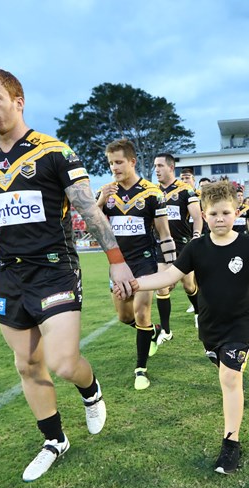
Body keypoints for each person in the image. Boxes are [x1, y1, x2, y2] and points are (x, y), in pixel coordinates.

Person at [0, 67, 134, 482]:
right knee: (28, 365)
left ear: (18, 101)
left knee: (64, 363)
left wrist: (117, 260)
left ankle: (91, 391)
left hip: (56, 272)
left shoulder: (55, 152)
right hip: (10, 278)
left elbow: (89, 209)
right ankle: (54, 440)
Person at [114, 181, 249, 474]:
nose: (220, 219)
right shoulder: (196, 248)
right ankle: (228, 378)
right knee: (227, 374)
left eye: (226, 213)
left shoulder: (248, 244)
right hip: (209, 329)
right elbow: (168, 278)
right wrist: (135, 283)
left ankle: (231, 444)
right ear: (204, 215)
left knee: (230, 379)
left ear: (236, 212)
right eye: (214, 213)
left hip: (240, 326)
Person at [97, 139, 174, 390]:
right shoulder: (107, 193)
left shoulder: (152, 193)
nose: (114, 168)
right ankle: (153, 331)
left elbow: (164, 234)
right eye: (110, 163)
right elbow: (94, 226)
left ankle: (140, 369)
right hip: (118, 263)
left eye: (118, 162)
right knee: (124, 316)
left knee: (142, 312)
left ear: (132, 161)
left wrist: (170, 268)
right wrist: (99, 202)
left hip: (145, 262)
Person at [152, 152, 203, 338]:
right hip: (160, 245)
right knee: (162, 287)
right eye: (155, 166)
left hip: (182, 244)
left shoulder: (185, 190)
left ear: (171, 167)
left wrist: (196, 236)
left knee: (189, 285)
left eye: (160, 166)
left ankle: (198, 312)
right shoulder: (152, 191)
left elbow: (197, 217)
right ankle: (166, 330)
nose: (156, 170)